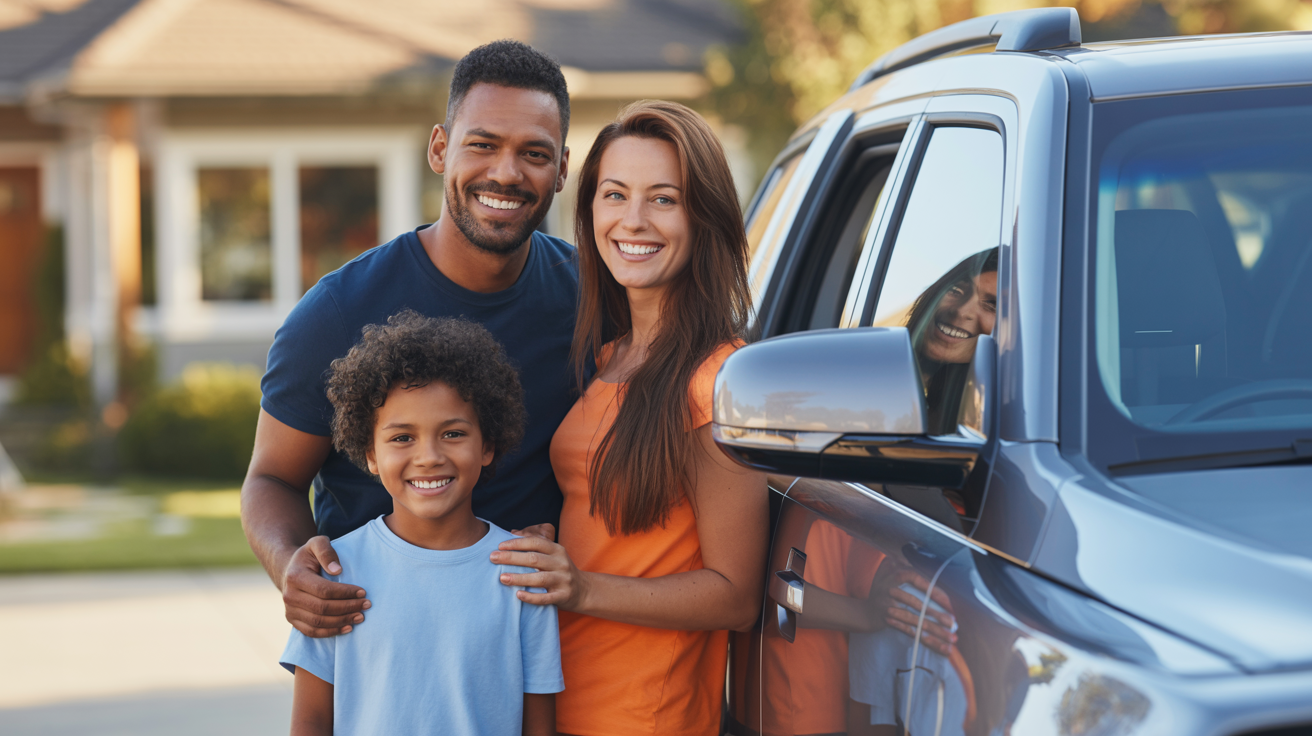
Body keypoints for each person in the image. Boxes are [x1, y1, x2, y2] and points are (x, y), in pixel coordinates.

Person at [241, 40, 578, 638]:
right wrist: (290, 564)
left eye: (534, 153)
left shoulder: (592, 302)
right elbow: (271, 479)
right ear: (440, 148)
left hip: (533, 652)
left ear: (562, 170)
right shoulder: (338, 312)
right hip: (376, 643)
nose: (506, 172)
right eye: (483, 144)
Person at [491, 101, 768, 736]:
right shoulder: (613, 355)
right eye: (614, 194)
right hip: (560, 694)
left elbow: (735, 593)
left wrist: (580, 586)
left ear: (704, 219)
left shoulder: (717, 377)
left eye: (664, 199)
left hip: (642, 714)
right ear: (589, 214)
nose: (633, 220)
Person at [280, 311, 563, 736]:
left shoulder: (523, 571)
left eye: (452, 433)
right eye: (402, 438)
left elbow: (538, 725)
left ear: (487, 445)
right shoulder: (337, 571)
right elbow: (311, 721)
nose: (428, 456)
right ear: (370, 454)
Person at [904, 247, 999, 433]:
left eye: (993, 305)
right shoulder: (875, 377)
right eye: (955, 291)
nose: (961, 311)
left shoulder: (1002, 428)